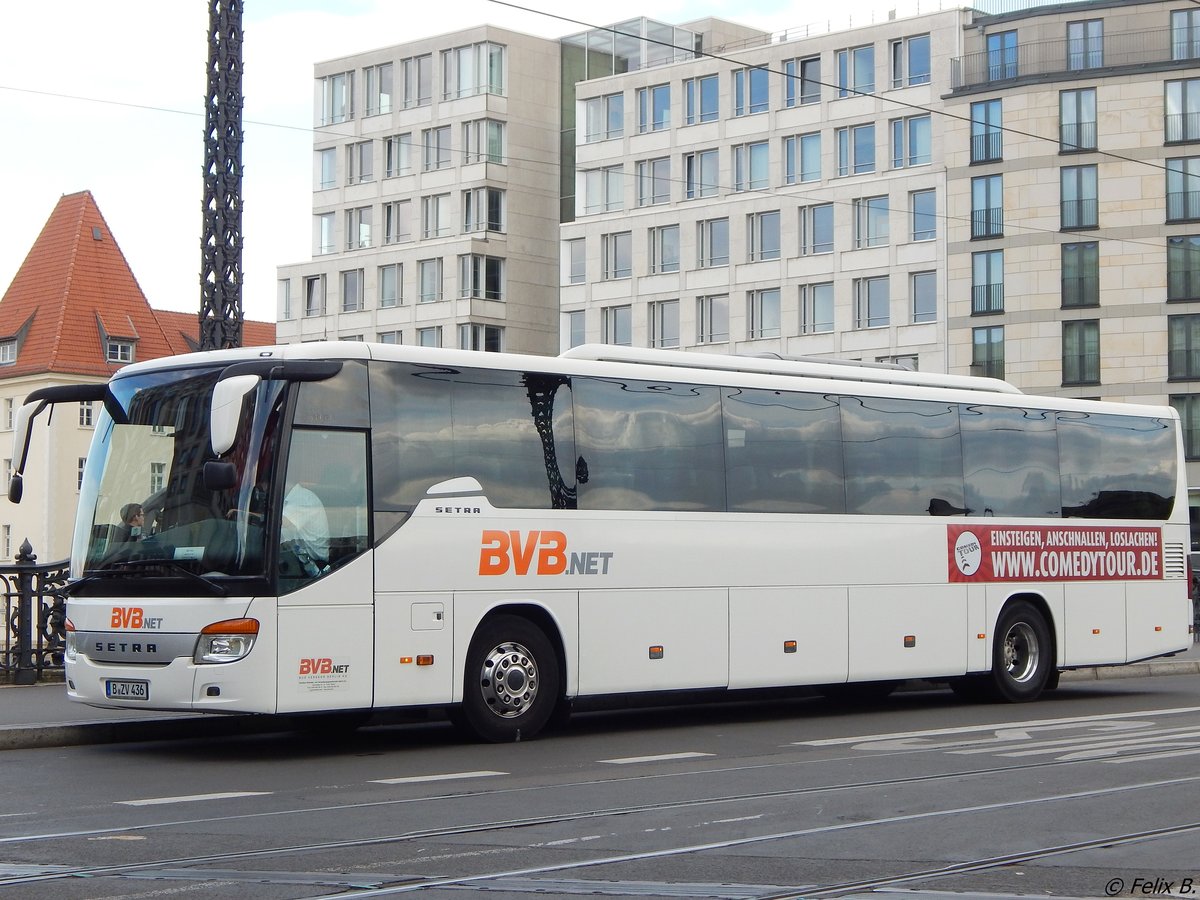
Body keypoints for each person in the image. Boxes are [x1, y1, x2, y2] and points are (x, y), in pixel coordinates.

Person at [281, 481, 329, 578]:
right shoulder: (290, 500)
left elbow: (281, 522)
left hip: (314, 565)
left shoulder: (302, 498)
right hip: (302, 557)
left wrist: (247, 514)